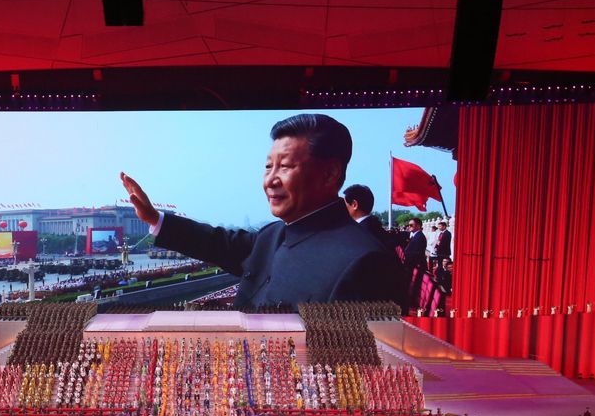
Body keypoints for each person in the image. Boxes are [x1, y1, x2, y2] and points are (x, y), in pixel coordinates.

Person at [120, 113, 406, 310]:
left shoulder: (364, 262)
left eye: (285, 166)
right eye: (268, 166)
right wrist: (155, 219)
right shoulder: (274, 234)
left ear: (330, 173)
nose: (270, 180)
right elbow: (218, 242)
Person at [342, 184, 398, 253]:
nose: (343, 208)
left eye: (344, 204)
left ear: (354, 204)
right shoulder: (380, 231)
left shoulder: (356, 236)